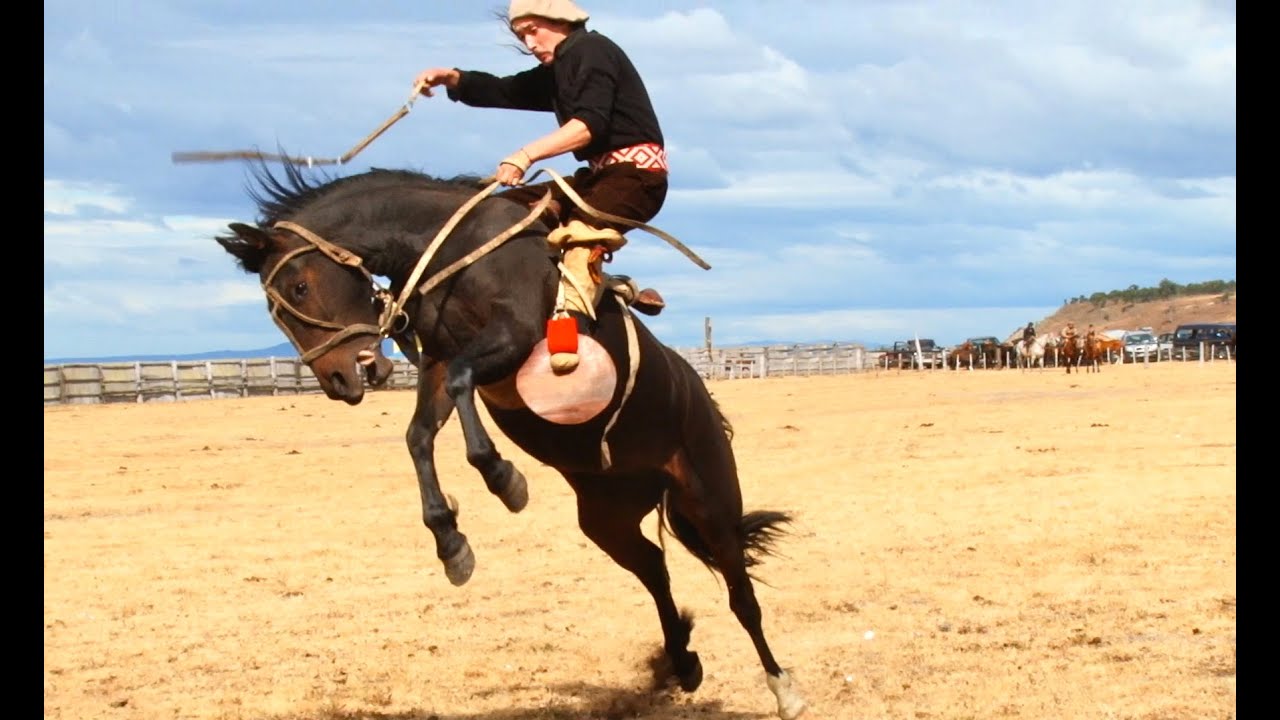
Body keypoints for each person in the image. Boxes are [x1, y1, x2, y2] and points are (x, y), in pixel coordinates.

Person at [413, 0, 668, 372]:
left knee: (578, 238)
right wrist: (454, 78)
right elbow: (507, 90)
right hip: (596, 177)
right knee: (504, 214)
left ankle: (567, 341)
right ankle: (611, 287)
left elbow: (587, 127)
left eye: (533, 30)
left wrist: (524, 155)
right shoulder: (561, 67)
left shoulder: (592, 51)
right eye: (521, 35)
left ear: (561, 21)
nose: (529, 42)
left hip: (636, 177)